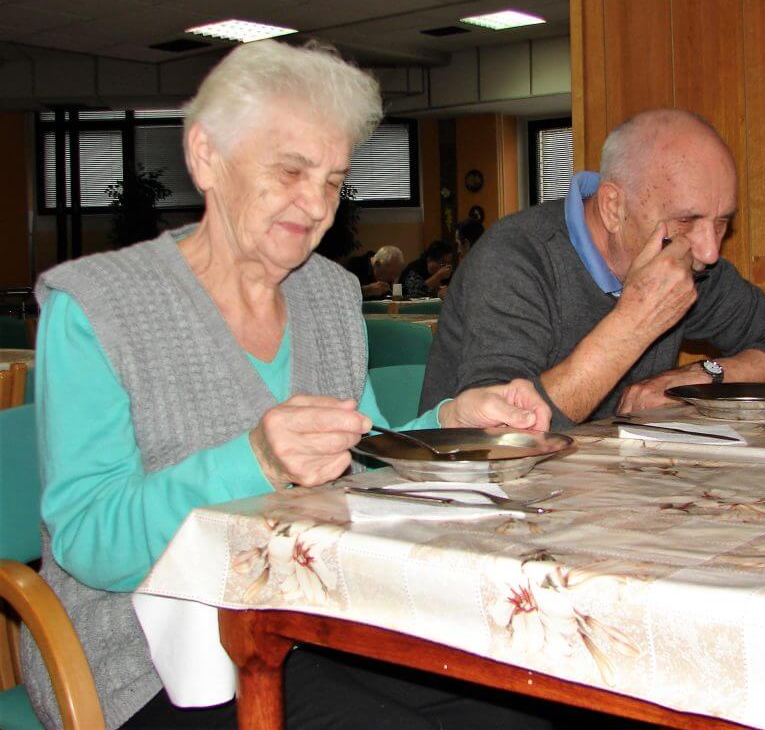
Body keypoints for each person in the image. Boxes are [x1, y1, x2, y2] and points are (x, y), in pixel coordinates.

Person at [21, 39, 552, 730]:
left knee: (522, 707)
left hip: (313, 615)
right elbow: (90, 543)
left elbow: (362, 457)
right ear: (206, 155)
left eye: (332, 180)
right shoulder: (97, 307)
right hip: (149, 658)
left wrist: (454, 420)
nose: (316, 204)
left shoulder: (329, 294)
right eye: (290, 170)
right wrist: (256, 460)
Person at [421, 109, 765, 430]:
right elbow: (499, 434)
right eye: (686, 220)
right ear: (614, 207)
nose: (709, 250)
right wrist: (634, 321)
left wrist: (706, 375)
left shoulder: (690, 263)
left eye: (721, 222)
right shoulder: (515, 258)